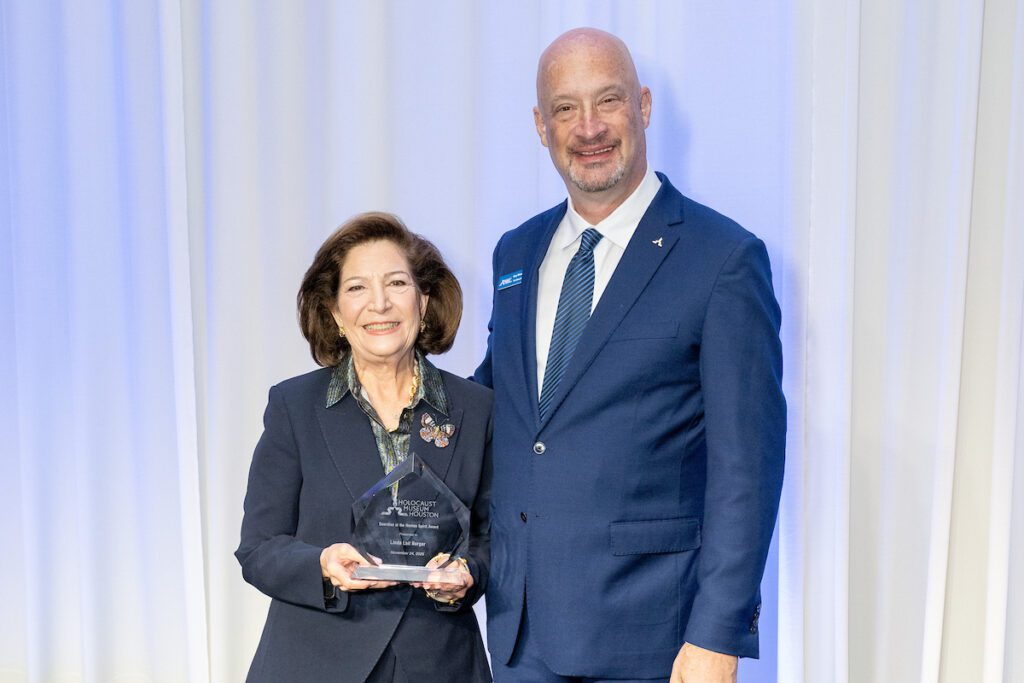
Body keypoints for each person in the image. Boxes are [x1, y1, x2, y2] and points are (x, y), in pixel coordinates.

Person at [473, 28, 786, 683]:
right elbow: (499, 405)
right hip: (521, 634)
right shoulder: (515, 252)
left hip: (655, 644)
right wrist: (386, 386)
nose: (587, 127)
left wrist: (717, 635)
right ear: (539, 124)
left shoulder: (723, 259)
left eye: (607, 101)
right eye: (565, 108)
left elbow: (746, 471)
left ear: (643, 106)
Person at [237, 212, 493, 682]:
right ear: (334, 312)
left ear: (424, 299)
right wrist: (322, 564)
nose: (379, 304)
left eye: (397, 283)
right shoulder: (294, 406)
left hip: (440, 665)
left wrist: (465, 573)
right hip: (314, 663)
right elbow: (258, 549)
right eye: (357, 288)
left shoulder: (477, 410)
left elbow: (495, 537)